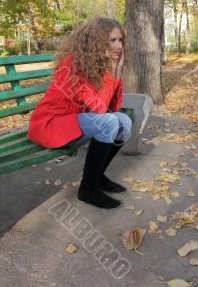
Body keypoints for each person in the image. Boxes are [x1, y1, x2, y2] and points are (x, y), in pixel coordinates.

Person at [27, 17, 133, 209]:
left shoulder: (97, 65)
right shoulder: (73, 65)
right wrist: (114, 72)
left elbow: (112, 108)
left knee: (123, 121)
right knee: (108, 122)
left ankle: (97, 176)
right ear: (97, 41)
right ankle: (88, 189)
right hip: (51, 125)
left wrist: (115, 72)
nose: (119, 46)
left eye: (120, 40)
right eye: (112, 40)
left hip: (74, 121)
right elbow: (101, 109)